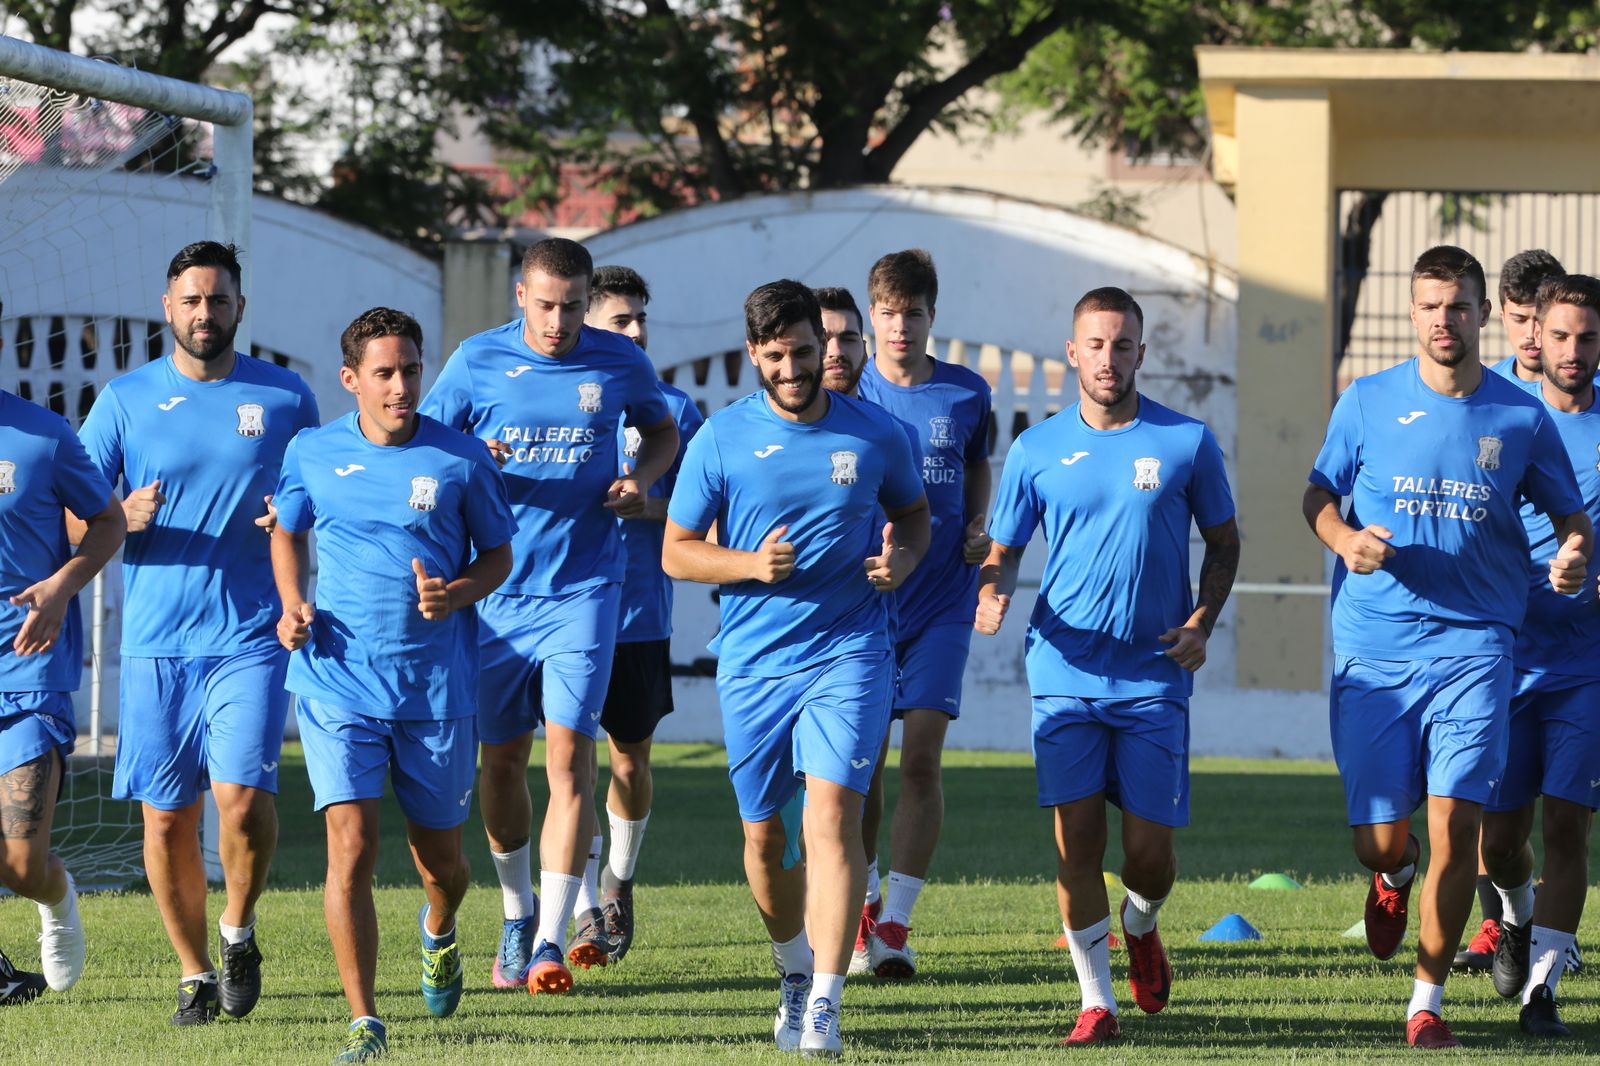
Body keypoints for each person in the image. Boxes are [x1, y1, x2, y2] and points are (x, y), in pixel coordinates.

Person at [1302, 245, 1590, 1049]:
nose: (1444, 320)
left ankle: (1426, 1004)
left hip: (1477, 649)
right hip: (1376, 645)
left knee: (1458, 824)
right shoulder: (1365, 402)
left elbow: (1571, 518)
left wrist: (1571, 553)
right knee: (1382, 839)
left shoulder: (1519, 416)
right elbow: (1317, 495)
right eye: (1430, 305)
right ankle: (1392, 877)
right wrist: (1342, 537)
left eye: (1458, 306)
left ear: (1484, 315)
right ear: (1413, 312)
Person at [662, 280, 929, 1057]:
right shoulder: (720, 439)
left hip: (850, 650)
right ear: (754, 355)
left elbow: (915, 516)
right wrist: (749, 562)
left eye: (805, 352)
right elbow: (677, 550)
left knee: (832, 819)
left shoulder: (875, 434)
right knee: (762, 839)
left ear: (827, 345)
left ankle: (825, 1001)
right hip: (753, 663)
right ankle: (791, 966)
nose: (792, 368)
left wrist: (900, 560)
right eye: (775, 357)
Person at [975, 286, 1238, 1046]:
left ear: (1141, 354)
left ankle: (1142, 921)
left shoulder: (1186, 442)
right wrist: (992, 593)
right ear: (1072, 351)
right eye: (1096, 344)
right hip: (1063, 671)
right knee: (1075, 846)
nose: (1108, 359)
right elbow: (1004, 551)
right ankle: (1098, 1002)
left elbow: (1224, 542)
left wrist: (1201, 621)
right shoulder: (1036, 449)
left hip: (1155, 677)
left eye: (1123, 345)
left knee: (1149, 859)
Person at [420, 237, 678, 993]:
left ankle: (549, 939)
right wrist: (476, 454)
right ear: (520, 299)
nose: (558, 321)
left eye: (571, 306)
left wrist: (641, 476)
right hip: (497, 596)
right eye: (544, 306)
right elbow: (426, 447)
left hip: (587, 590)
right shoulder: (475, 359)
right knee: (501, 761)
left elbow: (660, 430)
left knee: (570, 762)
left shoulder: (618, 361)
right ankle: (515, 908)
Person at [78, 240, 319, 1024]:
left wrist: (298, 558)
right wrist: (118, 515)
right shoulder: (124, 398)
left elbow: (310, 502)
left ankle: (237, 932)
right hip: (154, 644)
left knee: (242, 802)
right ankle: (193, 975)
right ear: (167, 306)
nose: (204, 313)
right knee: (166, 816)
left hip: (251, 635)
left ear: (240, 307)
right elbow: (73, 504)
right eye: (191, 299)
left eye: (218, 299)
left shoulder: (285, 398)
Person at [271, 307, 514, 1062]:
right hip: (337, 677)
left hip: (436, 689)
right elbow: (287, 528)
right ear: (351, 381)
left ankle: (439, 929)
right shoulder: (312, 452)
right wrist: (292, 606)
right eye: (385, 372)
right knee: (351, 845)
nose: (402, 385)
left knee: (441, 863)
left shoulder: (463, 457)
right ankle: (364, 1020)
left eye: (411, 368)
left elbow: (499, 558)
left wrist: (456, 593)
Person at [852, 249, 993, 978]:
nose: (899, 325)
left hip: (943, 603)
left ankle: (897, 924)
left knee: (923, 759)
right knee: (863, 769)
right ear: (871, 316)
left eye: (912, 313)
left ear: (932, 316)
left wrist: (977, 526)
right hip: (868, 607)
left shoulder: (967, 393)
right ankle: (860, 909)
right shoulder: (852, 392)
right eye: (887, 313)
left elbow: (975, 463)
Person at [564, 266, 704, 967]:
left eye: (642, 317)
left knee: (630, 759)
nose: (638, 331)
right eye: (622, 320)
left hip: (642, 612)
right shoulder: (561, 398)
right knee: (570, 763)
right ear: (587, 322)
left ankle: (619, 875)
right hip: (562, 611)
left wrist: (649, 505)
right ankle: (585, 903)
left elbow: (708, 519)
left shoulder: (675, 410)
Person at [1477, 273, 1600, 1037]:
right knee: (1500, 840)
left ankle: (1543, 989)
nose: (1573, 350)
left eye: (1588, 337)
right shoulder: (1499, 419)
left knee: (1569, 828)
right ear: (1535, 339)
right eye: (1560, 335)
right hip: (1503, 657)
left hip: (1586, 664)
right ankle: (1514, 918)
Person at [0, 291, 126, 1003]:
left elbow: (106, 522)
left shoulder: (44, 437)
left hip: (28, 664)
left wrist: (62, 585)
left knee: (20, 861)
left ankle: (55, 898)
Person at [1489, 250, 1564, 389]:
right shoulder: (1487, 388)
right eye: (1519, 319)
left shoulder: (1594, 392)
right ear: (1503, 319)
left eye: (1541, 320)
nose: (1531, 334)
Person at [814, 287, 869, 397]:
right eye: (822, 340)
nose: (837, 351)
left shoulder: (881, 415)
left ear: (864, 352)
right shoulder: (776, 414)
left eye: (848, 339)